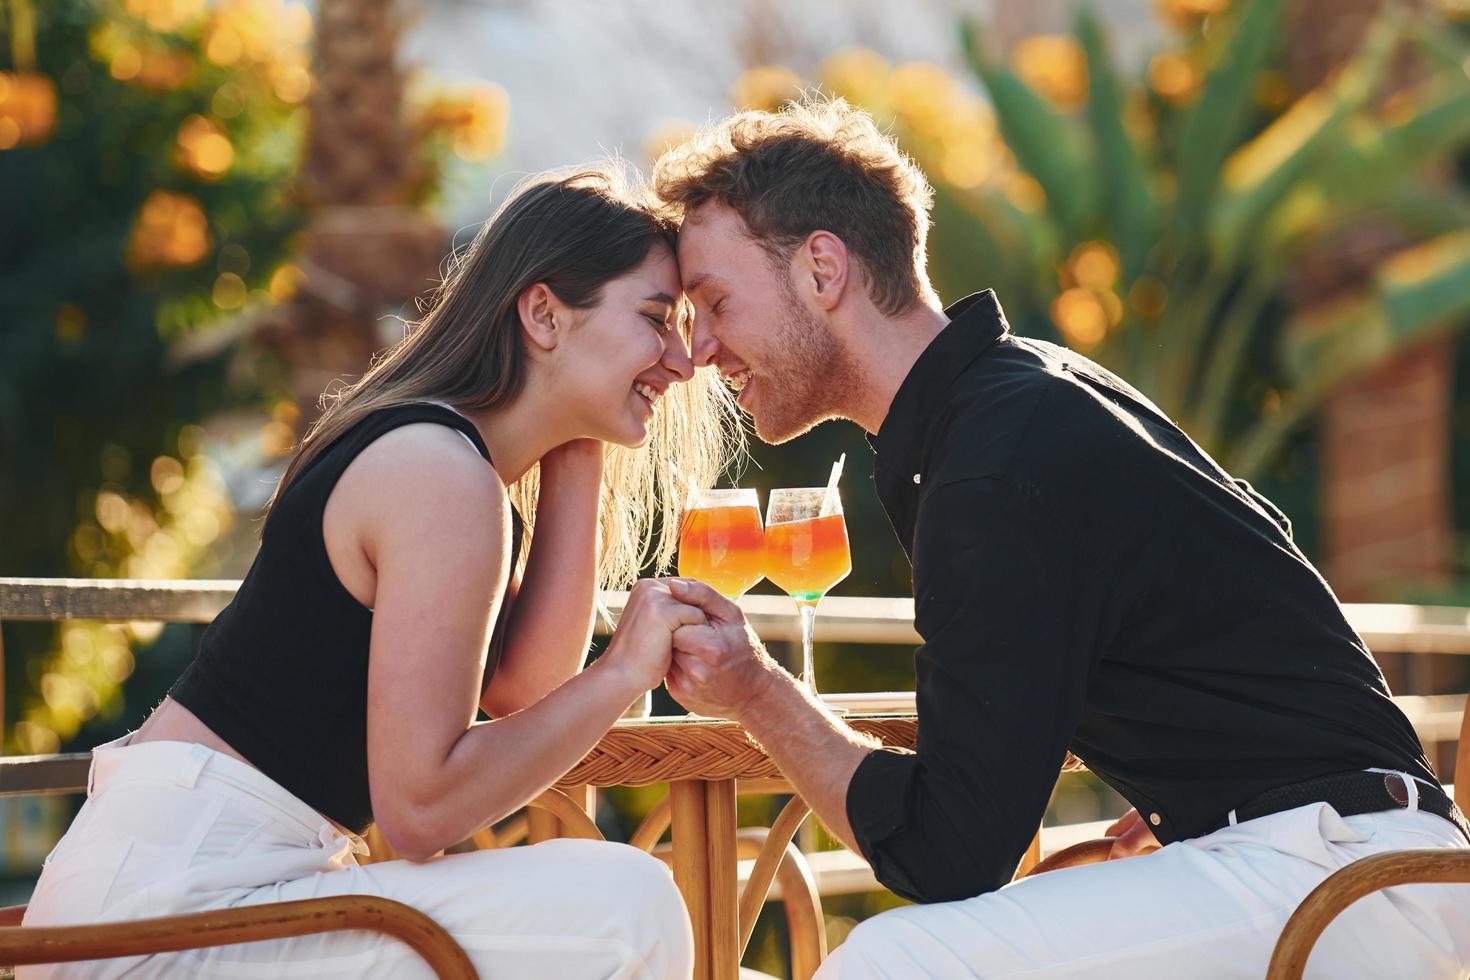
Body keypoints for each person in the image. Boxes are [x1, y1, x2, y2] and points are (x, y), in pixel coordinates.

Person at [650, 98, 1470, 978]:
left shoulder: (996, 461)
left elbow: (949, 854)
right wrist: (1190, 789)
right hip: (1333, 856)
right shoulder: (1018, 401)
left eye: (715, 302)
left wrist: (755, 690)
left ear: (823, 268)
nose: (698, 350)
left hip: (1343, 882)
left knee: (899, 962)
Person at [21, 167, 740, 978]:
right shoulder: (438, 474)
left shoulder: (453, 465)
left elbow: (529, 696)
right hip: (169, 907)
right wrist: (621, 674)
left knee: (621, 907)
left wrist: (579, 437)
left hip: (223, 882)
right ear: (543, 313)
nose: (685, 360)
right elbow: (422, 809)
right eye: (656, 319)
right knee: (626, 905)